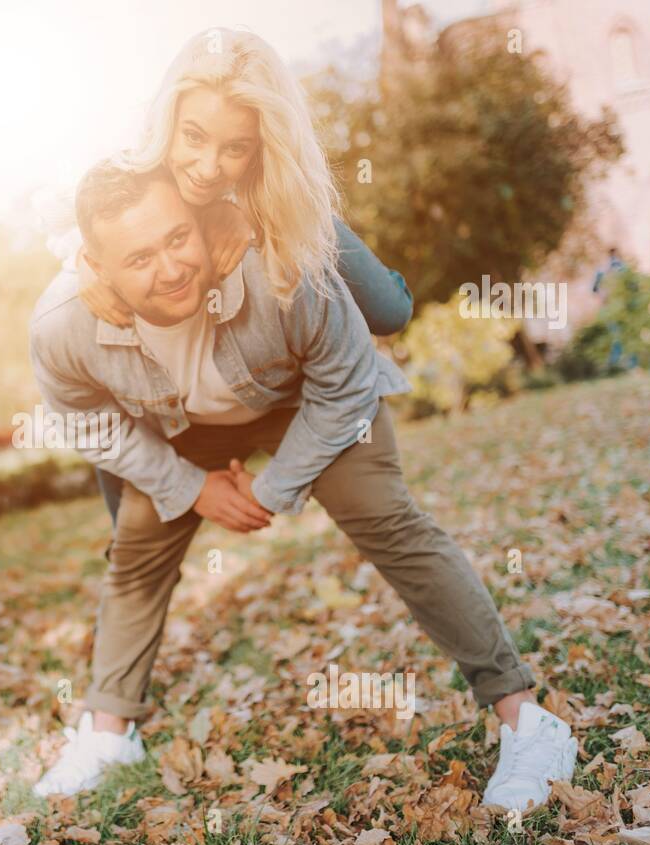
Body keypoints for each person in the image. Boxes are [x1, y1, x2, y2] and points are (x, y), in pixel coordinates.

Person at [26, 33, 578, 815]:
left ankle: (527, 718)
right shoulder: (68, 308)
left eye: (180, 236)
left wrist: (277, 485)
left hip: (300, 395)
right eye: (192, 137)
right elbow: (87, 421)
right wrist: (189, 487)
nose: (206, 164)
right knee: (138, 539)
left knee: (382, 493)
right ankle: (107, 729)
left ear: (253, 160)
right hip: (187, 424)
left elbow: (347, 382)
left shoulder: (284, 241)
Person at [39, 28, 413, 525]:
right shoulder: (137, 151)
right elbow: (59, 214)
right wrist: (84, 260)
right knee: (119, 392)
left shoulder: (265, 172)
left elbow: (258, 195)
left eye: (234, 147)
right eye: (193, 137)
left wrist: (245, 210)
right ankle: (122, 540)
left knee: (390, 313)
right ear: (168, 120)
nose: (207, 167)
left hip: (275, 206)